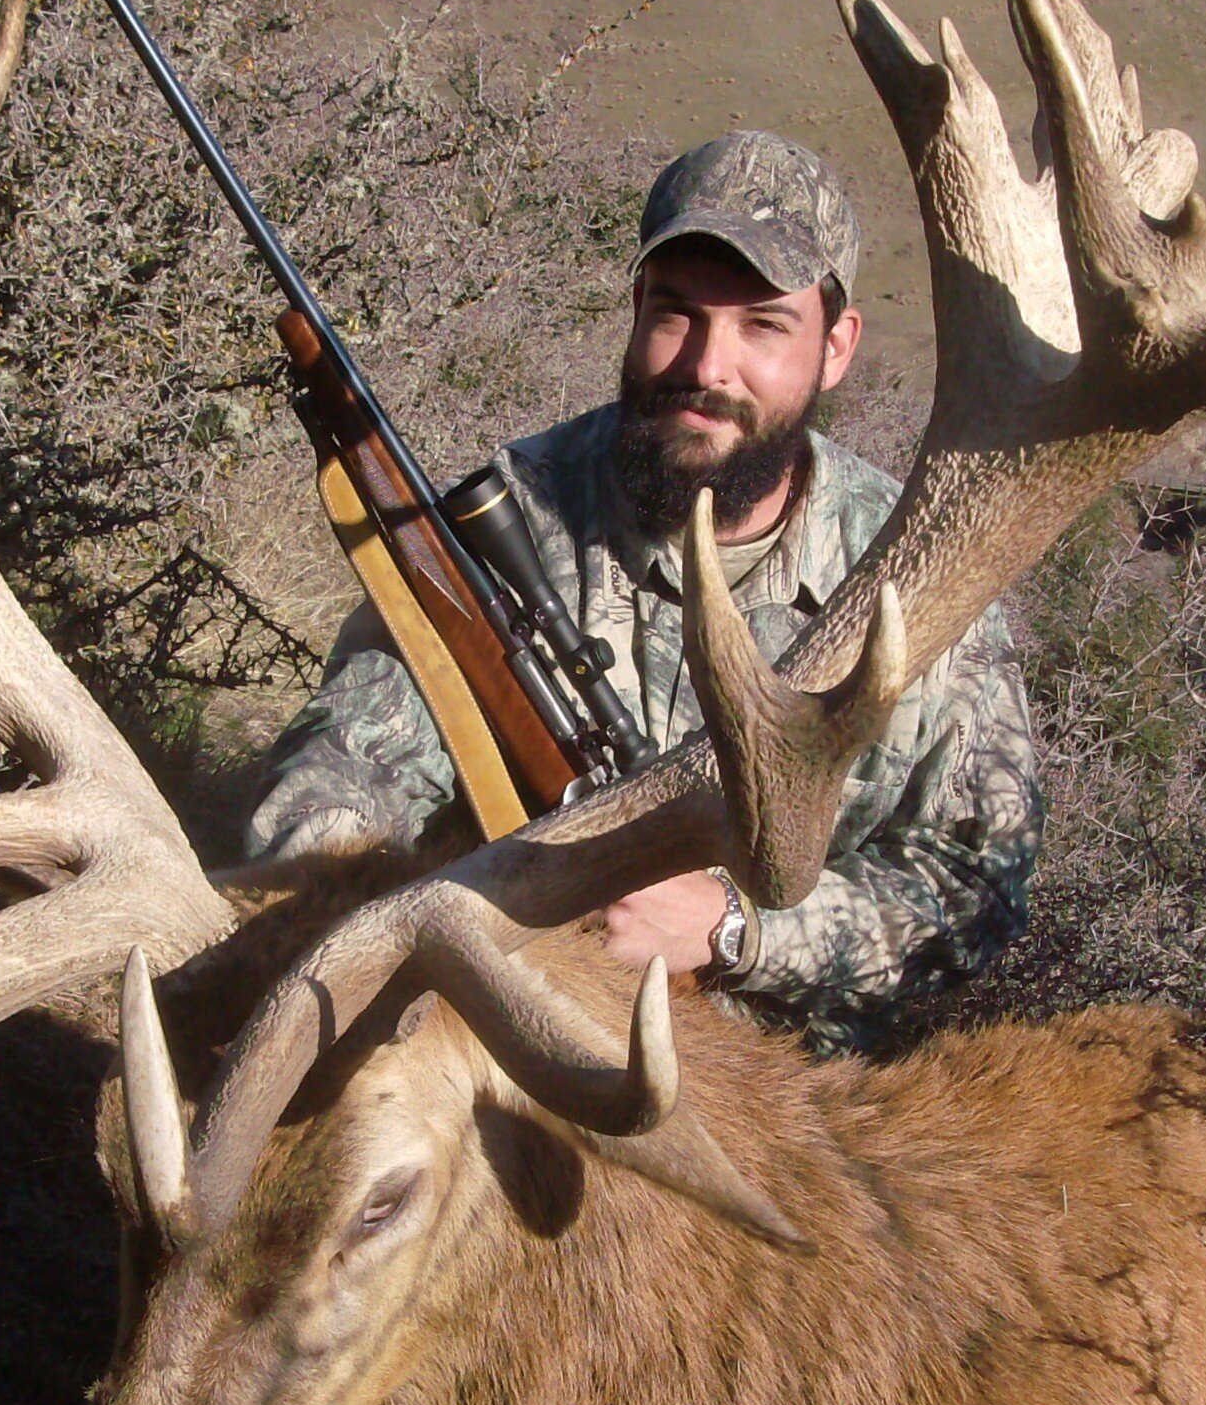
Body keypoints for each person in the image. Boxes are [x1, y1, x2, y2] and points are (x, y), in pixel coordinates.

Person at [244, 130, 1043, 1054]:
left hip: (794, 1099)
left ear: (836, 348)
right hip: (516, 1041)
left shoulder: (920, 565)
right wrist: (332, 895)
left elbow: (979, 883)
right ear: (634, 312)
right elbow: (352, 759)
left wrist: (736, 930)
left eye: (763, 326)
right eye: (677, 314)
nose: (707, 366)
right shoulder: (509, 518)